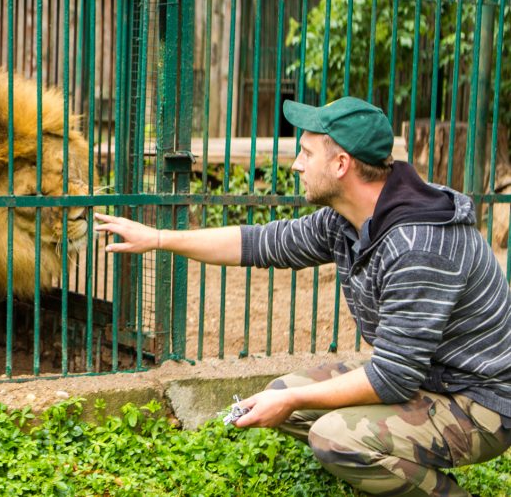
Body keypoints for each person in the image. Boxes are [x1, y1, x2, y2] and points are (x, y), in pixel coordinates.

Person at [94, 96, 511, 496]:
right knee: (282, 393)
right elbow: (260, 243)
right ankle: (390, 460)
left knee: (330, 436)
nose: (296, 164)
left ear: (341, 163)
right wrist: (159, 238)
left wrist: (293, 399)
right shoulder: (349, 218)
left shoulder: (417, 244)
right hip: (429, 378)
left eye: (306, 153)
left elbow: (391, 376)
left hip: (480, 403)